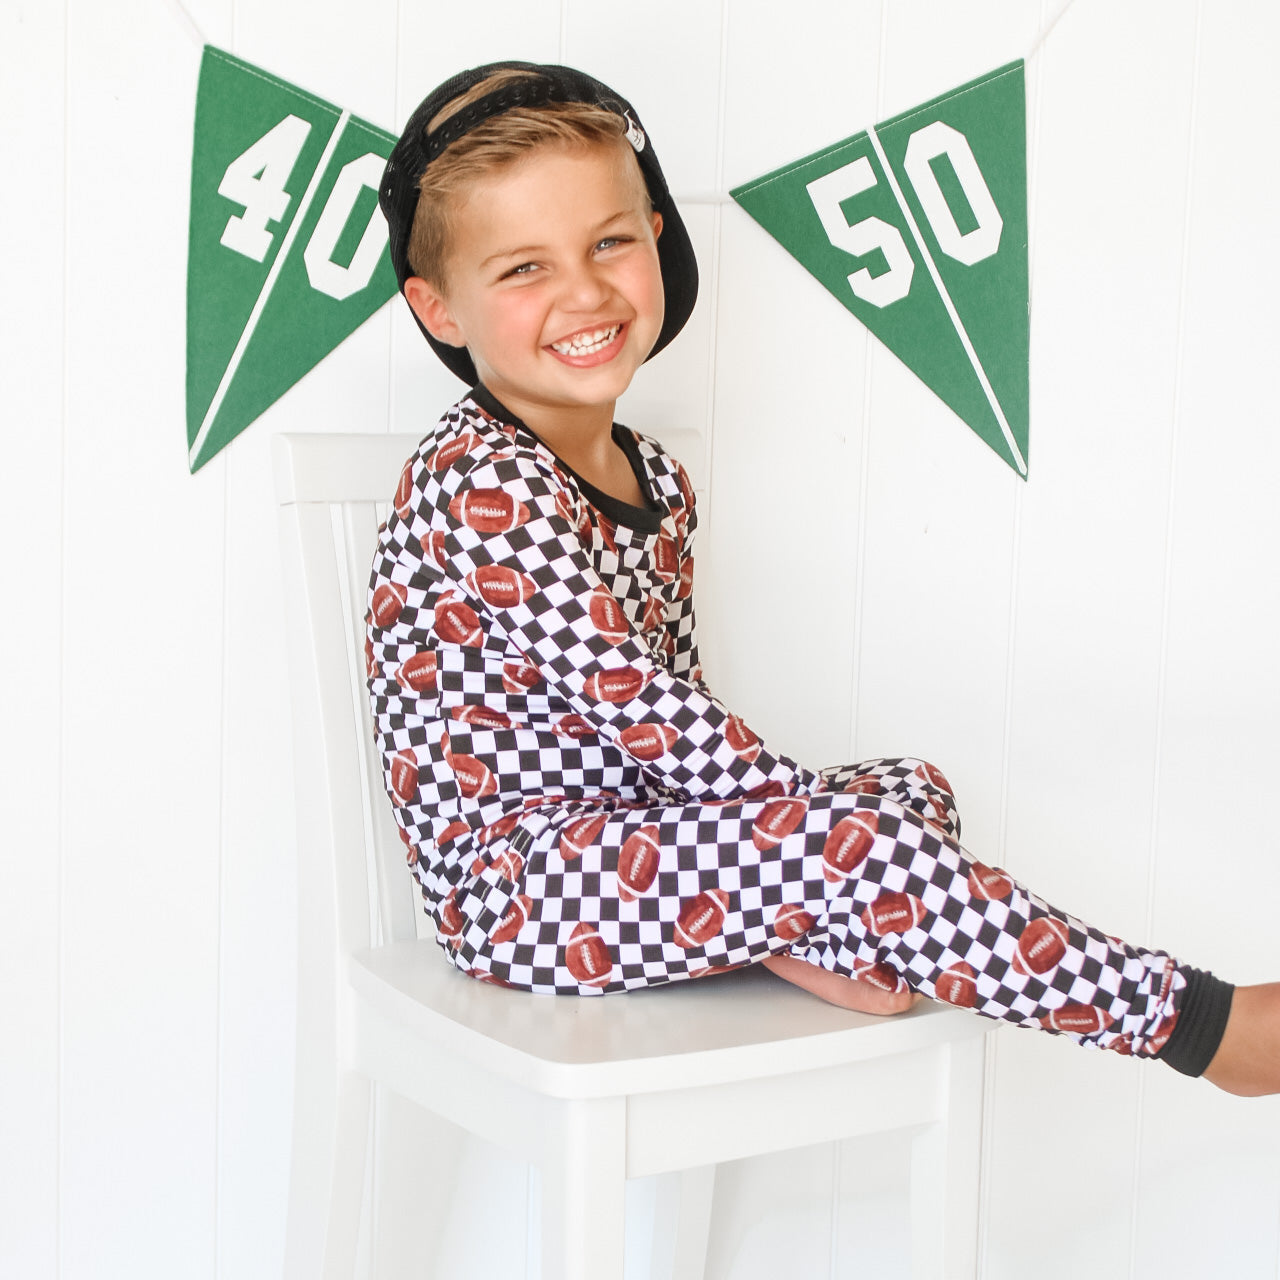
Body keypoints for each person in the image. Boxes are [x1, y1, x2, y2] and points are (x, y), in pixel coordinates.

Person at [367, 61, 1279, 1097]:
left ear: (657, 234)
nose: (584, 292)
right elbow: (647, 714)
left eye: (609, 242)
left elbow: (682, 707)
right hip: (521, 892)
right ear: (440, 309)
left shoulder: (656, 477)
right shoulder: (480, 480)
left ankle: (810, 929)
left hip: (643, 844)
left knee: (910, 790)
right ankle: (1198, 1026)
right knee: (862, 843)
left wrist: (839, 840)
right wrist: (841, 849)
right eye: (524, 268)